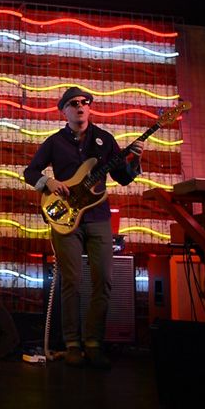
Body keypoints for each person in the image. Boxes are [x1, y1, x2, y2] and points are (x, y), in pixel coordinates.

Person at [23, 87, 144, 369]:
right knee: (71, 282)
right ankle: (73, 344)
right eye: (74, 103)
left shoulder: (105, 140)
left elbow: (122, 178)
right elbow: (30, 172)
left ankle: (94, 344)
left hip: (98, 216)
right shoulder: (54, 142)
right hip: (66, 219)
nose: (81, 106)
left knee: (103, 280)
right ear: (63, 110)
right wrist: (49, 183)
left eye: (85, 102)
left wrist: (134, 160)